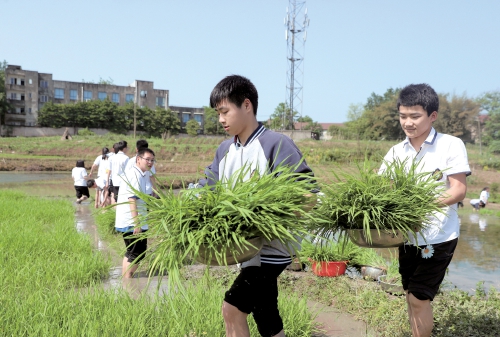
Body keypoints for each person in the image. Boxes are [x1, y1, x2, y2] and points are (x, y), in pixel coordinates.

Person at [197, 75, 314, 337]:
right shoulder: (225, 150)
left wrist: (265, 216)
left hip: (273, 248)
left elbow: (309, 195)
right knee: (266, 315)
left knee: (232, 308)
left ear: (247, 105)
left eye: (225, 111)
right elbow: (207, 190)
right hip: (245, 249)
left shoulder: (276, 144)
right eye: (218, 113)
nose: (221, 120)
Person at [379, 84, 470, 337]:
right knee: (410, 295)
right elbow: (386, 191)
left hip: (438, 237)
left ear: (432, 116)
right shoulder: (395, 152)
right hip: (406, 237)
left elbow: (458, 190)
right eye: (402, 116)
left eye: (415, 116)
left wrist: (419, 205)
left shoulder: (450, 145)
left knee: (419, 298)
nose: (408, 122)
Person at [115, 148, 155, 278]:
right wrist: (136, 223)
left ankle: (126, 278)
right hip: (132, 221)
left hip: (132, 219)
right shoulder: (135, 174)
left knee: (132, 251)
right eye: (147, 159)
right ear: (138, 159)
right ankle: (127, 280)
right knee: (138, 252)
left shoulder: (141, 174)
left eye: (152, 160)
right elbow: (132, 199)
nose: (150, 162)